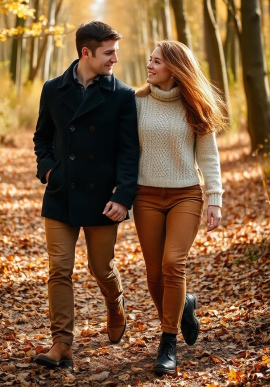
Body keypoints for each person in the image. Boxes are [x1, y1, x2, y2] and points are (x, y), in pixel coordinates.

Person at [33, 21, 139, 368]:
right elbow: (42, 138)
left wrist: (123, 197)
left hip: (102, 199)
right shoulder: (53, 89)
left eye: (115, 51)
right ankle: (61, 344)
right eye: (109, 52)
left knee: (100, 268)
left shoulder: (122, 95)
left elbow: (128, 151)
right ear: (86, 53)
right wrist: (49, 169)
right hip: (62, 193)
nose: (115, 59)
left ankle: (115, 302)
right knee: (59, 269)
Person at [133, 40, 225, 375]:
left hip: (185, 194)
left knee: (174, 263)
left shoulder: (194, 105)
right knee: (155, 274)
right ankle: (183, 305)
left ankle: (167, 341)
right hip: (145, 196)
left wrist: (214, 198)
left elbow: (209, 157)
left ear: (174, 67)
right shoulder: (136, 102)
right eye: (150, 60)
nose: (149, 65)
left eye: (156, 61)